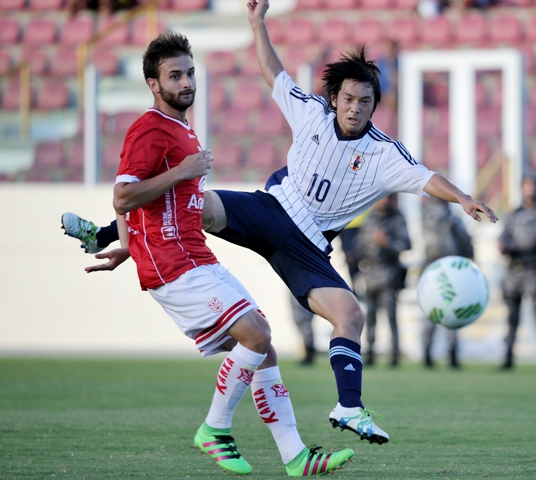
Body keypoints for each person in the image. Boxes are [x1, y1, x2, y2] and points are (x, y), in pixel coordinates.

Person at [66, 0, 498, 446]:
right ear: (335, 99)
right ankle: (103, 234)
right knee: (195, 202)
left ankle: (349, 406)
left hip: (306, 246)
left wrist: (464, 198)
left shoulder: (385, 154)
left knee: (350, 314)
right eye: (349, 99)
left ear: (374, 106)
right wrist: (257, 23)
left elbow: (426, 177)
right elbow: (274, 73)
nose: (355, 108)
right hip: (272, 209)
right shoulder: (311, 112)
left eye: (365, 102)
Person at [76, 31, 353, 477]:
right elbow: (123, 195)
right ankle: (214, 429)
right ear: (153, 83)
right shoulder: (150, 128)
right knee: (256, 335)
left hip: (194, 255)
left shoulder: (180, 127)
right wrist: (180, 174)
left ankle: (296, 457)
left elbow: (135, 200)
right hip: (172, 263)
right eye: (175, 76)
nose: (186, 82)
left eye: (189, 73)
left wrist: (127, 245)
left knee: (263, 349)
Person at [498, 173, 536, 371]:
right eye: (526, 186)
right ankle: (508, 356)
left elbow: (535, 239)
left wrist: (512, 246)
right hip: (513, 269)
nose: (529, 191)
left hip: (533, 269)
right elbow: (503, 237)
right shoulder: (514, 213)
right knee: (511, 317)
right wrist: (506, 246)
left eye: (533, 187)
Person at [355, 194, 410, 367]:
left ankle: (394, 354)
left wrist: (386, 242)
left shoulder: (397, 219)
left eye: (386, 198)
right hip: (370, 273)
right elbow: (360, 243)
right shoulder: (370, 218)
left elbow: (406, 245)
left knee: (390, 316)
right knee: (370, 316)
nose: (383, 201)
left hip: (389, 274)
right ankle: (370, 353)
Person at [421, 196, 474, 369]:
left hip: (436, 269)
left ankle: (429, 353)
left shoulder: (428, 218)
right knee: (448, 312)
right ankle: (448, 354)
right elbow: (466, 243)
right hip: (446, 269)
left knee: (432, 311)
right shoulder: (450, 219)